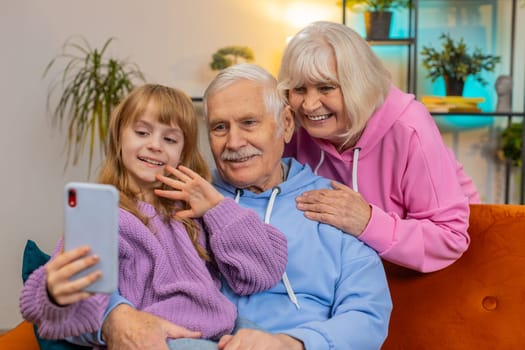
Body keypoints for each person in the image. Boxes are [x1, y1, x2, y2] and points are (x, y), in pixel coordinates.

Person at [86, 64, 392, 350]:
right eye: (220, 127)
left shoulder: (334, 204)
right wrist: (115, 315)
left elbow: (368, 314)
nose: (234, 142)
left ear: (286, 125)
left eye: (249, 123)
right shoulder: (178, 198)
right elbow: (91, 274)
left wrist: (292, 343)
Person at [19, 84, 288, 347]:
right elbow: (64, 308)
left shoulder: (195, 214)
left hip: (222, 332)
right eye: (142, 132)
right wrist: (55, 294)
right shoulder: (106, 218)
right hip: (161, 339)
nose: (155, 146)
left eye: (169, 139)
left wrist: (218, 208)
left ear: (183, 152)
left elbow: (262, 273)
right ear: (119, 138)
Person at [278, 21, 477, 273]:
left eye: (326, 87)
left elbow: (449, 237)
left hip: (428, 269)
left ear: (358, 85)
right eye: (299, 89)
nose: (308, 104)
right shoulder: (294, 128)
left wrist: (367, 222)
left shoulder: (409, 128)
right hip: (345, 274)